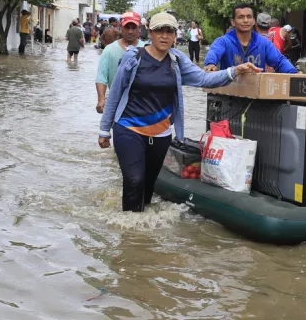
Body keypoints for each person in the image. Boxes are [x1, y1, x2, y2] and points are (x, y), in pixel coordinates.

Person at [98, 12, 261, 212]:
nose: (164, 36)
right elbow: (115, 93)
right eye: (159, 31)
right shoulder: (134, 58)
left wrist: (235, 70)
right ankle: (128, 227)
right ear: (150, 33)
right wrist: (104, 130)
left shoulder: (176, 60)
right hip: (128, 129)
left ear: (175, 35)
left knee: (148, 185)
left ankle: (142, 225)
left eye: (169, 31)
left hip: (160, 134)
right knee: (134, 180)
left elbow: (204, 79)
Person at [203, 3, 298, 74]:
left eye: (249, 17)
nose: (245, 20)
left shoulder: (263, 43)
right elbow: (214, 53)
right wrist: (210, 64)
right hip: (229, 91)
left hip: (255, 91)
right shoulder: (223, 42)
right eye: (241, 17)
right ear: (233, 22)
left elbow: (279, 61)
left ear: (254, 21)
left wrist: (294, 73)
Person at [95, 11, 147, 113]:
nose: (130, 31)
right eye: (127, 27)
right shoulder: (109, 50)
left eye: (134, 27)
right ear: (120, 27)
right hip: (117, 103)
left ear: (139, 28)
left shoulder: (147, 49)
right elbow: (101, 77)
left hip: (142, 104)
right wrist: (101, 99)